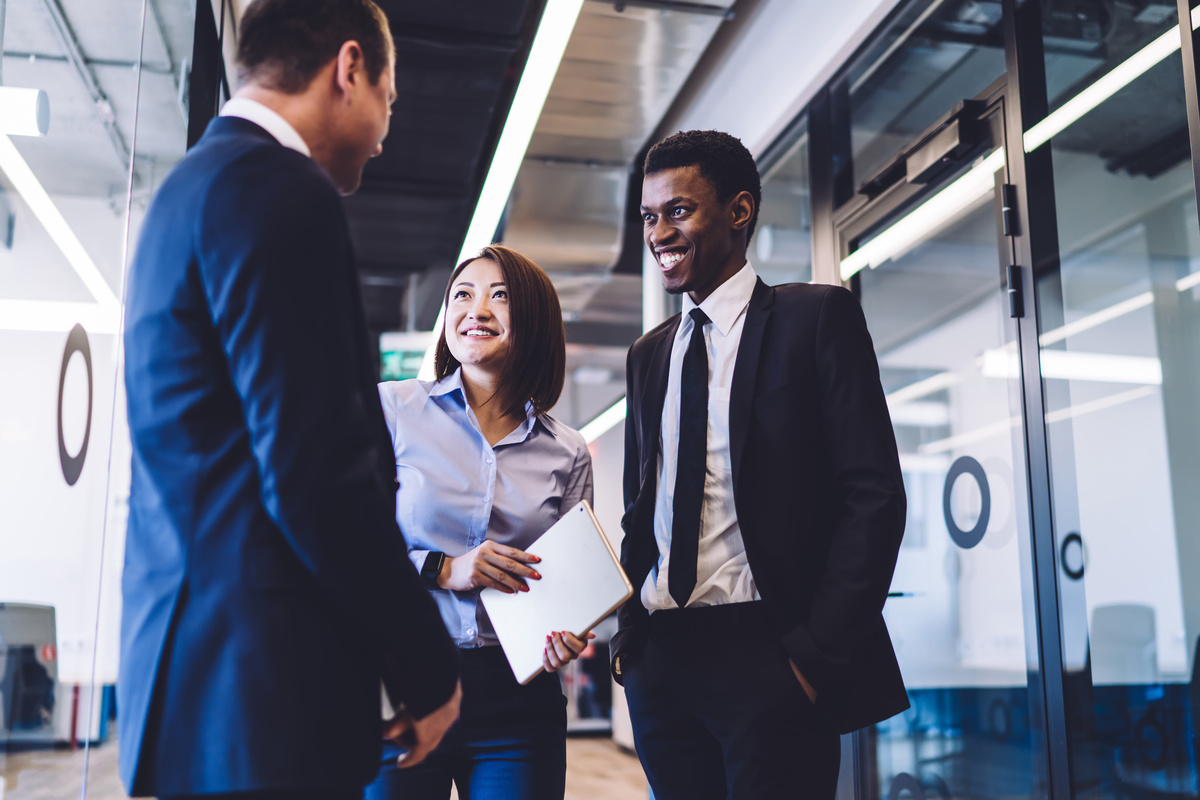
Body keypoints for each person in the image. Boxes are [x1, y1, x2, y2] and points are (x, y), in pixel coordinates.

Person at [119, 2, 461, 799]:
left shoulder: (187, 190)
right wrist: (425, 665)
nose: (384, 131)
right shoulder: (279, 189)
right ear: (348, 69)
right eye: (390, 97)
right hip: (265, 696)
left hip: (198, 683)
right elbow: (316, 473)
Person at [611, 130, 909, 799]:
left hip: (768, 653)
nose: (659, 232)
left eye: (678, 210)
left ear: (738, 211)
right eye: (649, 216)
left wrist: (812, 657)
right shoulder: (650, 354)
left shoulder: (816, 318)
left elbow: (874, 497)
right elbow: (643, 508)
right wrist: (631, 642)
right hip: (662, 657)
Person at [367, 245, 594, 800]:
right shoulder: (392, 411)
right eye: (462, 296)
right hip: (403, 681)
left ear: (535, 319)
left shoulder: (568, 452)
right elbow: (343, 541)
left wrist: (568, 632)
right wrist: (442, 568)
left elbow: (570, 582)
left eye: (500, 296)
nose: (477, 310)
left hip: (518, 697)